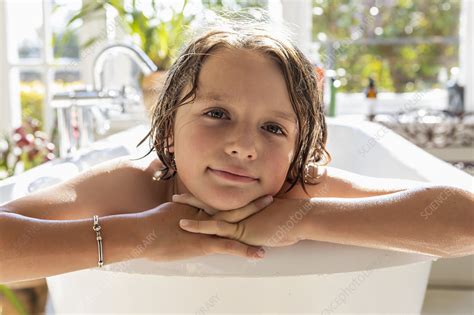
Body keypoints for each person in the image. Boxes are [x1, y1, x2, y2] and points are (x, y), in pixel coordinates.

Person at [1, 16, 473, 285]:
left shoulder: (299, 190)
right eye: (217, 114)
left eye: (273, 127)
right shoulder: (137, 186)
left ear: (298, 149)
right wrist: (137, 234)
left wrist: (304, 219)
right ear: (167, 132)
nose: (244, 146)